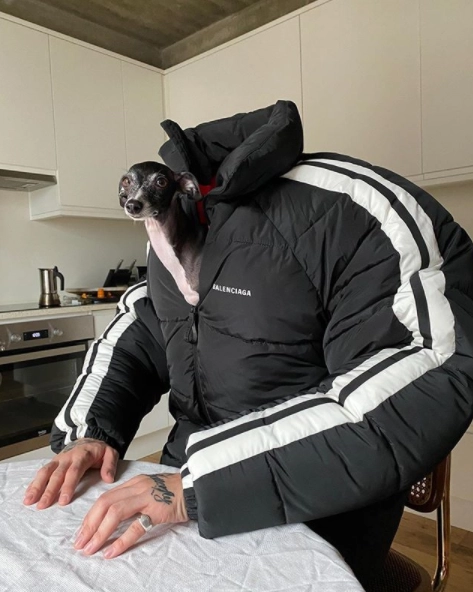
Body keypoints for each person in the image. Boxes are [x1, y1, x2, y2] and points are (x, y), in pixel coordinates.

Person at [23, 101, 473, 588]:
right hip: (184, 491)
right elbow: (145, 328)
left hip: (317, 518)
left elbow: (429, 361)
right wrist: (93, 430)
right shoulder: (174, 219)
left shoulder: (352, 206)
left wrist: (196, 486)